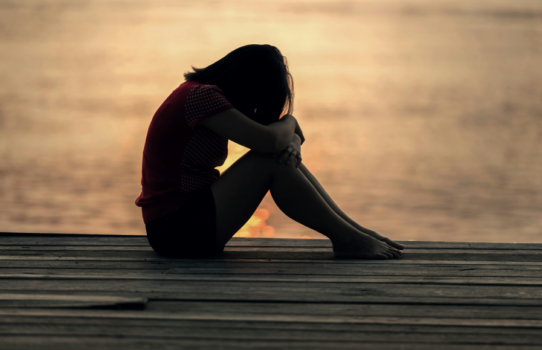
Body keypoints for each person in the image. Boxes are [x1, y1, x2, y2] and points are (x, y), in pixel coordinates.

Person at [135, 44, 404, 259]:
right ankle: (348, 239)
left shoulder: (199, 95)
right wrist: (291, 121)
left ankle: (354, 233)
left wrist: (293, 141)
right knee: (269, 160)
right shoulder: (202, 97)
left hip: (182, 225)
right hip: (176, 229)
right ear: (248, 83)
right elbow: (271, 141)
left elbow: (279, 140)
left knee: (275, 157)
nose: (255, 108)